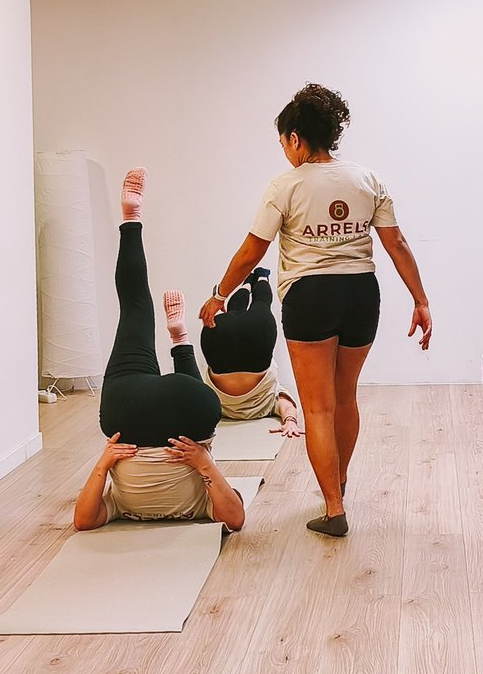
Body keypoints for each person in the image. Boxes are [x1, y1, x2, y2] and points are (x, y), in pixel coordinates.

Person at [199, 83, 433, 537]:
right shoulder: (368, 179)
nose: (285, 151)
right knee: (345, 398)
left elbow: (252, 251)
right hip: (362, 293)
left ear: (297, 138)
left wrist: (220, 294)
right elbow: (396, 244)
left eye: (285, 142)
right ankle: (338, 482)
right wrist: (420, 300)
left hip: (310, 296)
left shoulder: (284, 185)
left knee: (318, 409)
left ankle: (333, 507)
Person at [73, 169, 247, 533]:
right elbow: (235, 518)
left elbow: (83, 521)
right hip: (132, 410)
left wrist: (105, 464)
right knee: (136, 308)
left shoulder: (119, 507)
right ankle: (131, 220)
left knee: (140, 317)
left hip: (136, 420)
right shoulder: (200, 507)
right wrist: (203, 463)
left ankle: (181, 340)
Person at [199, 265, 303, 435]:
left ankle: (261, 277)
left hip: (257, 341)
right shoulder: (216, 408)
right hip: (219, 343)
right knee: (234, 311)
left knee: (261, 304)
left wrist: (290, 421)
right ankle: (247, 283)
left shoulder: (267, 404)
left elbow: (287, 405)